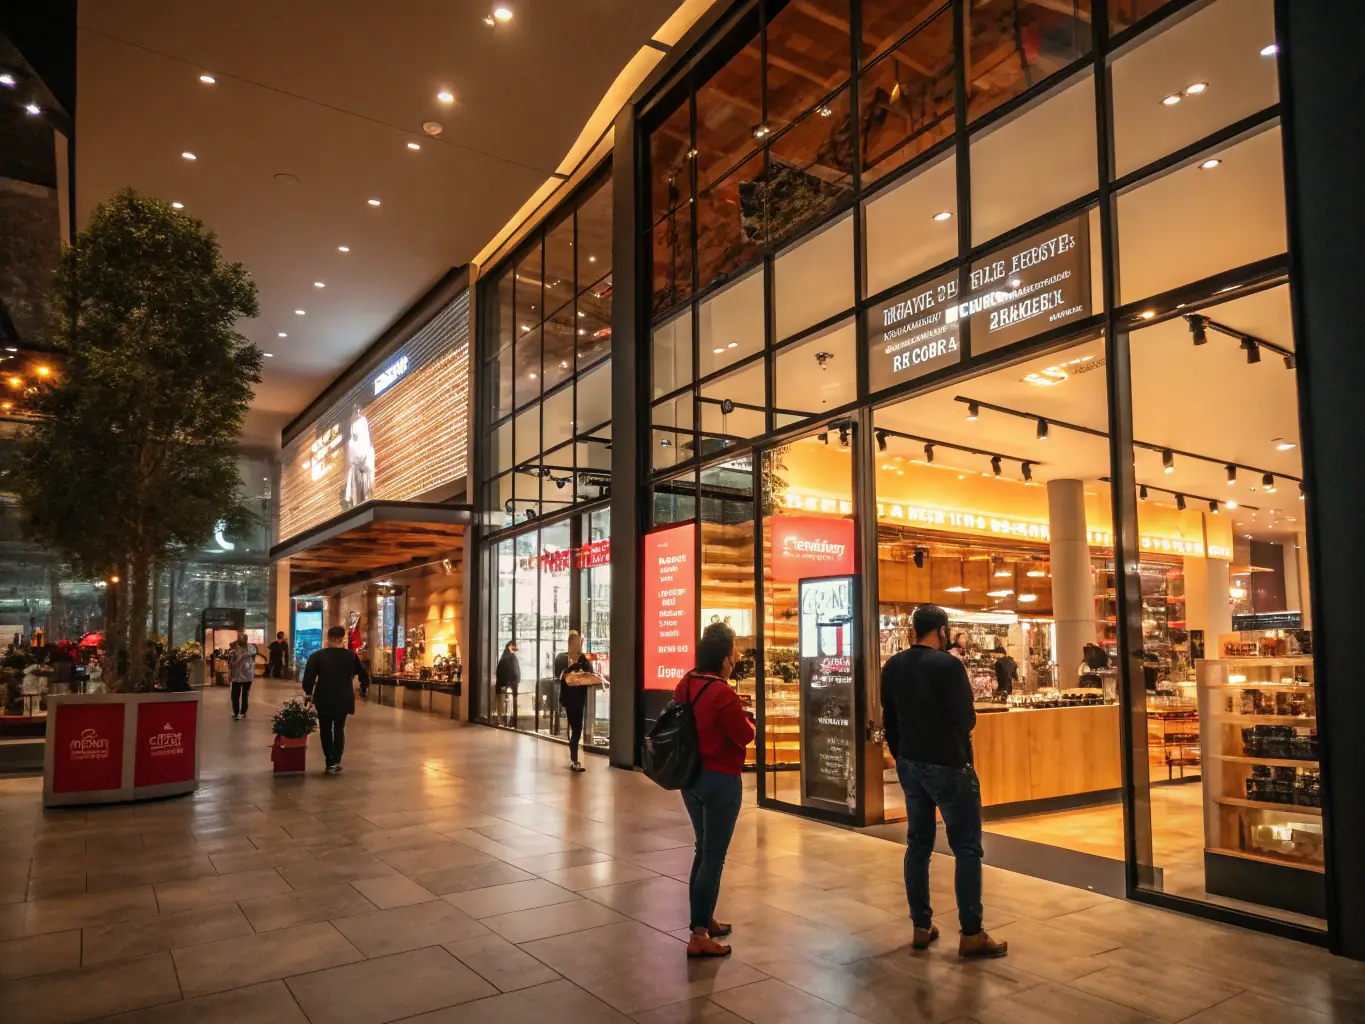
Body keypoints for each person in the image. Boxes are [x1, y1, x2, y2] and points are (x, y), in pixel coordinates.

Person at [882, 604, 1007, 959]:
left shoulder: (893, 666)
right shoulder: (949, 666)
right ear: (942, 631)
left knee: (917, 844)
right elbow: (966, 718)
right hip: (949, 765)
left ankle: (921, 926)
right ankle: (971, 933)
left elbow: (888, 717)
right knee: (966, 847)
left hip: (909, 763)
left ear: (912, 631)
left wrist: (902, 752)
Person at [675, 621, 755, 960]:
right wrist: (749, 719)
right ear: (724, 656)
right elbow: (744, 735)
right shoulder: (722, 693)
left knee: (702, 849)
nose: (736, 657)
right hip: (721, 779)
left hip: (691, 778)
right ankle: (699, 935)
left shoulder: (686, 683)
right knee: (713, 856)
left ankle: (703, 917)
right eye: (734, 651)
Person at [302, 625, 370, 774]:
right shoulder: (350, 656)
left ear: (329, 638)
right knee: (339, 729)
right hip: (343, 697)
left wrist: (308, 692)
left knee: (325, 729)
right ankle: (336, 760)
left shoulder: (318, 656)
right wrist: (364, 689)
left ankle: (329, 760)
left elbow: (308, 677)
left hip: (323, 697)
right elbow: (364, 675)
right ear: (341, 638)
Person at [555, 630, 594, 772]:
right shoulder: (561, 658)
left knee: (577, 729)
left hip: (579, 698)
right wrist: (571, 668)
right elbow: (559, 675)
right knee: (575, 728)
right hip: (569, 699)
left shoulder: (583, 659)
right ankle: (574, 759)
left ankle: (574, 758)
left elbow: (590, 673)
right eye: (574, 642)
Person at [227, 632, 257, 720]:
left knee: (245, 694)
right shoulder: (234, 648)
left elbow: (253, 656)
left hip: (247, 675)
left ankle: (243, 712)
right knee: (235, 695)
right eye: (240, 639)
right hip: (236, 675)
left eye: (243, 639)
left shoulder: (251, 647)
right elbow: (230, 660)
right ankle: (236, 712)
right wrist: (232, 648)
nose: (241, 641)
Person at [495, 641, 520, 727]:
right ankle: (506, 720)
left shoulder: (505, 657)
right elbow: (514, 671)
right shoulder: (510, 658)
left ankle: (502, 720)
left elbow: (499, 672)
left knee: (503, 702)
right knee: (506, 702)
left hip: (505, 684)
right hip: (507, 684)